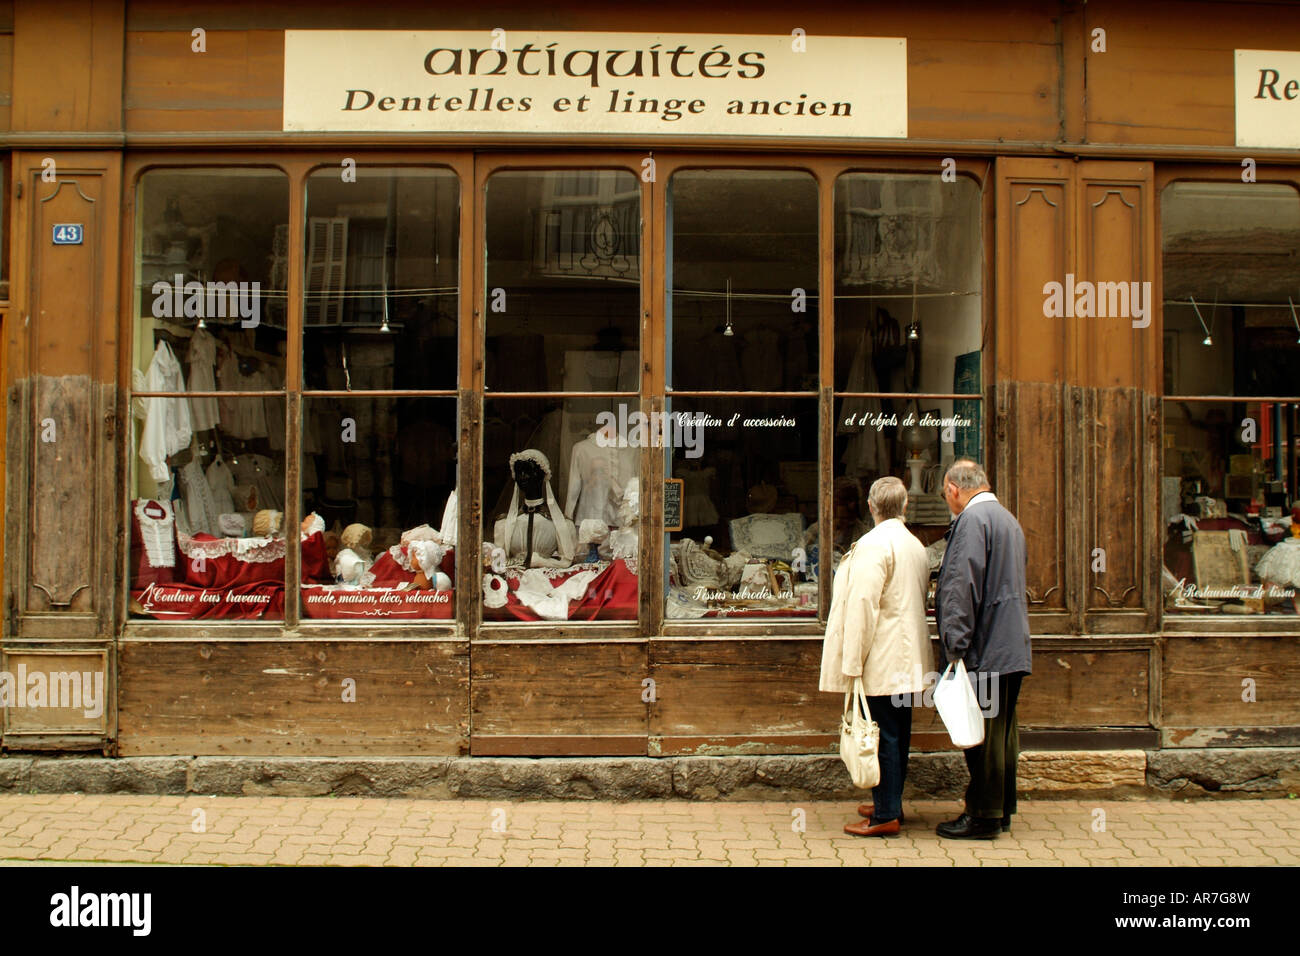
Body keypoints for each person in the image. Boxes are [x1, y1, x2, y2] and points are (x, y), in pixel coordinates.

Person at [820, 476, 932, 837]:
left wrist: (851, 662)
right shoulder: (914, 544)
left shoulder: (873, 545)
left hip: (882, 657)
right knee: (898, 732)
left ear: (870, 507)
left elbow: (863, 607)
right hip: (906, 655)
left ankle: (885, 814)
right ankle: (890, 801)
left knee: (880, 734)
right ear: (905, 506)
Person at [933, 459, 1032, 839]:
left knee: (983, 737)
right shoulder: (1006, 518)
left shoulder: (972, 522)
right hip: (1009, 642)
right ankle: (1000, 807)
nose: (948, 500)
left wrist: (955, 647)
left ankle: (983, 816)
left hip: (985, 646)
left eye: (946, 493)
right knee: (1002, 733)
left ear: (954, 489)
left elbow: (961, 588)